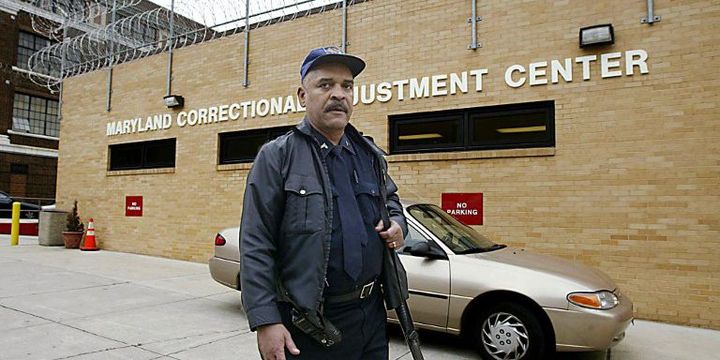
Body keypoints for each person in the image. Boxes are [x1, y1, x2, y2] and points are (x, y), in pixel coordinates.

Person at [240, 46, 408, 360]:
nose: (338, 94)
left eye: (347, 86)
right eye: (325, 85)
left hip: (371, 316)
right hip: (311, 324)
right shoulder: (278, 157)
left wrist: (398, 224)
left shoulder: (368, 154)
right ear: (303, 95)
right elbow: (255, 242)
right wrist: (266, 320)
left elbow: (393, 201)